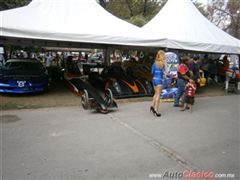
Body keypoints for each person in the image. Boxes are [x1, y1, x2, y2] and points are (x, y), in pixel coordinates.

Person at [150, 50, 166, 117]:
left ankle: (152, 106)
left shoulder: (154, 63)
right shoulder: (162, 64)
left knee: (155, 94)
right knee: (158, 95)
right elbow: (164, 74)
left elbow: (152, 72)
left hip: (154, 80)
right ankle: (156, 110)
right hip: (159, 80)